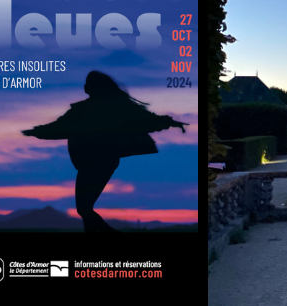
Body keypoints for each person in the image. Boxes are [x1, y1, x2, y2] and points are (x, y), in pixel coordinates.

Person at [22, 71, 188, 232]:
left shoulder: (110, 108)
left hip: (101, 161)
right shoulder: (84, 109)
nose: (85, 87)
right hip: (87, 162)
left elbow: (145, 120)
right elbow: (59, 127)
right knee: (84, 209)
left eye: (88, 84)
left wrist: (169, 122)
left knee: (84, 209)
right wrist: (37, 131)